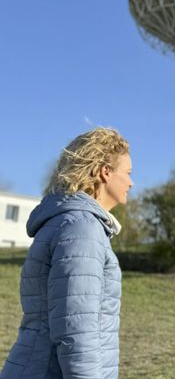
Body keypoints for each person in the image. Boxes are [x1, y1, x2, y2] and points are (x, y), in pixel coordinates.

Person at [0, 127, 133, 379]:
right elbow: (77, 330)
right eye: (127, 173)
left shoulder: (68, 223)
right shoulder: (81, 228)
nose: (131, 182)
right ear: (106, 173)